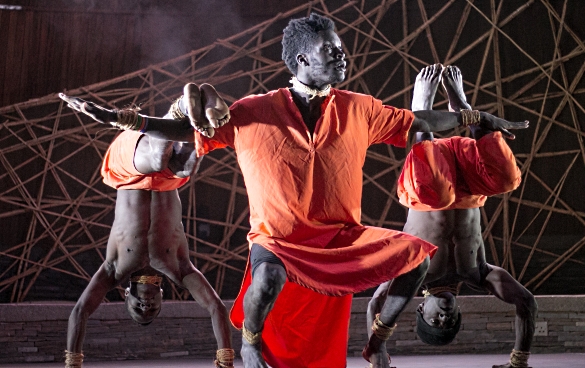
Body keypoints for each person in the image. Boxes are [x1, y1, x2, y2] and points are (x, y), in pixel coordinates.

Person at [60, 14, 529, 368]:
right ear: (304, 60)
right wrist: (122, 119)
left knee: (416, 257)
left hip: (342, 237)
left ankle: (377, 342)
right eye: (333, 50)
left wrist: (476, 118)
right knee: (266, 281)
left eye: (342, 49)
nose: (343, 56)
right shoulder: (250, 111)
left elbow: (421, 123)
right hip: (278, 240)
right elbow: (181, 132)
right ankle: (248, 344)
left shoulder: (359, 108)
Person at [367, 64, 536, 368]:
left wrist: (378, 349)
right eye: (450, 320)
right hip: (468, 181)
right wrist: (518, 362)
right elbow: (526, 303)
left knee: (437, 194)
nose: (444, 316)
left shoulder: (413, 275)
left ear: (421, 310)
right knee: (508, 181)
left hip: (428, 183)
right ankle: (464, 108)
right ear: (460, 311)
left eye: (436, 320)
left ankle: (421, 113)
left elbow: (376, 303)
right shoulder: (478, 274)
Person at [60, 89, 234, 368]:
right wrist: (225, 360)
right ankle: (196, 108)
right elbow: (216, 307)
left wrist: (72, 363)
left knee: (155, 160)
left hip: (128, 172)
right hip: (168, 181)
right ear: (162, 299)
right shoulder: (179, 267)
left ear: (126, 296)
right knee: (189, 164)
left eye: (138, 309)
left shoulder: (113, 269)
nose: (145, 306)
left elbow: (80, 311)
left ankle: (178, 109)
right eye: (151, 310)